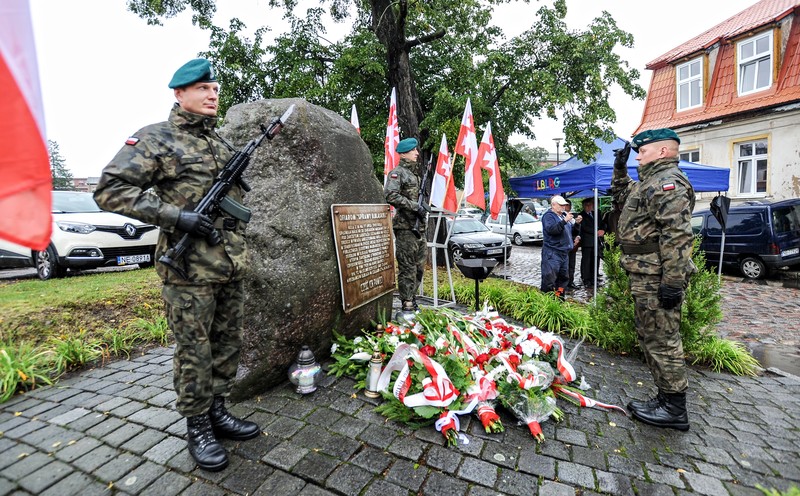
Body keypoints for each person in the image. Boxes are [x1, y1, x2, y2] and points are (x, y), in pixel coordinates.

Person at [93, 58, 260, 471]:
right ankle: (198, 425)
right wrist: (175, 216)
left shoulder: (219, 144)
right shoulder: (156, 139)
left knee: (226, 345)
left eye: (215, 87)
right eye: (203, 88)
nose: (212, 94)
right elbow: (109, 189)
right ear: (179, 93)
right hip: (187, 270)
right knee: (193, 351)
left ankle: (218, 410)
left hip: (229, 265)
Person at [611, 128, 696, 431]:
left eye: (642, 151)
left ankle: (674, 409)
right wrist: (619, 168)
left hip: (656, 275)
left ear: (662, 151)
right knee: (650, 337)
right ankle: (664, 398)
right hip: (644, 273)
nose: (638, 155)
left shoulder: (666, 183)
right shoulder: (648, 182)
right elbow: (621, 195)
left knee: (663, 339)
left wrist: (673, 282)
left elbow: (677, 236)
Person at [385, 137, 427, 312]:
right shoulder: (397, 173)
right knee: (407, 267)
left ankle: (412, 296)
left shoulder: (415, 176)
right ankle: (407, 302)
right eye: (413, 150)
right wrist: (415, 206)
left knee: (419, 268)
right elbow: (390, 195)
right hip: (405, 228)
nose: (417, 153)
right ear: (404, 153)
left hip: (419, 229)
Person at [540, 195, 574, 298]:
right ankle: (547, 301)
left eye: (564, 205)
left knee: (563, 280)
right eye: (561, 205)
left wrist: (576, 224)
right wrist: (565, 221)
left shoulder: (562, 216)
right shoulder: (548, 216)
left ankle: (559, 298)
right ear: (553, 205)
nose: (563, 207)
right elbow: (552, 230)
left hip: (563, 253)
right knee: (549, 279)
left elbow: (569, 231)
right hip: (552, 253)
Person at [577, 197, 605, 288]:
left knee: (595, 259)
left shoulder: (595, 213)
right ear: (583, 206)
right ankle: (586, 279)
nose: (589, 207)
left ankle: (594, 277)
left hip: (596, 241)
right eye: (587, 205)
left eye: (590, 205)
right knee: (586, 260)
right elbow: (584, 227)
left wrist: (602, 230)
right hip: (587, 242)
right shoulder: (581, 215)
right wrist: (596, 231)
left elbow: (602, 223)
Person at [565, 202, 582, 290]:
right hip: (565, 245)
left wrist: (577, 237)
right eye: (566, 205)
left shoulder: (572, 218)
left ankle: (571, 282)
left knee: (572, 265)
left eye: (569, 205)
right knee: (565, 266)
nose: (568, 207)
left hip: (573, 245)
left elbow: (575, 231)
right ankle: (565, 284)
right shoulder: (562, 218)